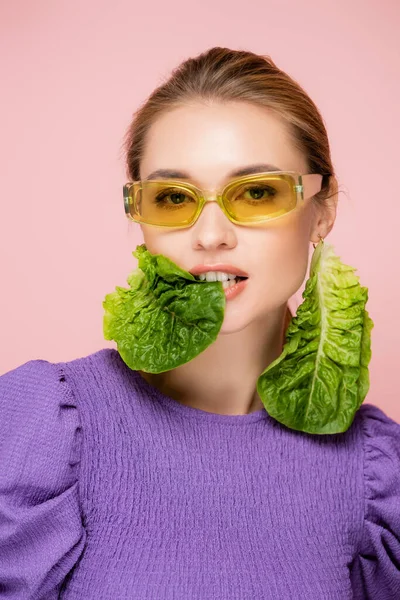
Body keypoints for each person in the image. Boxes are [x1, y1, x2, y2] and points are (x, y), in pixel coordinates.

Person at [1, 46, 399, 599]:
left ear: (322, 209)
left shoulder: (378, 476)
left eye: (258, 192)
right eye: (171, 197)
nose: (211, 235)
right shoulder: (42, 430)